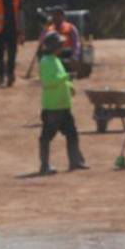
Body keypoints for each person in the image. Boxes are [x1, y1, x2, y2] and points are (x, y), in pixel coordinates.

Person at [37, 31, 86, 175]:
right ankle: (44, 165)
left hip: (63, 105)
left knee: (72, 133)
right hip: (52, 107)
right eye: (59, 44)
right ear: (52, 46)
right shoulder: (46, 61)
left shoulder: (55, 59)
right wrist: (66, 76)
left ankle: (75, 161)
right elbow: (49, 82)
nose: (62, 46)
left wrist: (70, 86)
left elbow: (61, 79)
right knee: (46, 137)